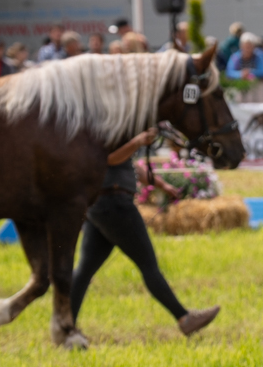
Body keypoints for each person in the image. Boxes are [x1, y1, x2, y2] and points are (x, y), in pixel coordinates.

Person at [70, 127, 221, 338]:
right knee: (148, 265)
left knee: (85, 270)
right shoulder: (105, 129)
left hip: (101, 204)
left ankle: (65, 324)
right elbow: (109, 159)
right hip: (115, 205)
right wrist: (138, 141)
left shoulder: (111, 129)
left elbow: (130, 166)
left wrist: (163, 185)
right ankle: (184, 318)